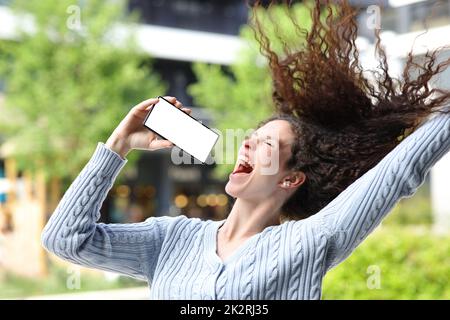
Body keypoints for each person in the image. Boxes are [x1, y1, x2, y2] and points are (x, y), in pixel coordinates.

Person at [41, 1, 450, 299]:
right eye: (252, 137)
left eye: (267, 144)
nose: (249, 142)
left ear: (291, 177)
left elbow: (399, 170)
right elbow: (64, 241)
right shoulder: (170, 238)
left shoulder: (308, 242)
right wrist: (118, 146)